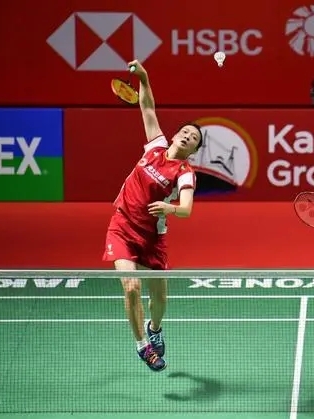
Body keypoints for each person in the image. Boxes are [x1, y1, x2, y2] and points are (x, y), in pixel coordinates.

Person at [102, 59, 203, 372]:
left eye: (193, 138)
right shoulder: (155, 147)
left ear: (194, 150)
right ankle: (142, 345)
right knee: (131, 287)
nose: (187, 136)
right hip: (121, 227)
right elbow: (147, 107)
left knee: (159, 299)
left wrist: (170, 208)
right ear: (174, 136)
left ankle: (155, 329)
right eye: (184, 132)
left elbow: (186, 209)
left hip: (151, 238)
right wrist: (144, 78)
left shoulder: (185, 172)